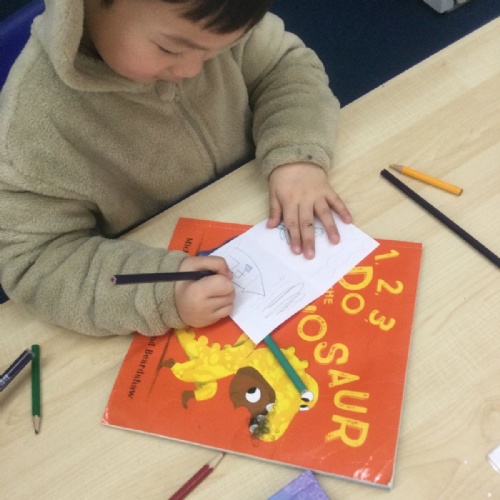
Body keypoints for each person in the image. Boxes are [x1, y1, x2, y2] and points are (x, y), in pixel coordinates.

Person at [0, 0, 351, 337]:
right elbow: (37, 261)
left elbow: (286, 67)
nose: (191, 71)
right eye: (169, 49)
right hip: (162, 272)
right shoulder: (31, 125)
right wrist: (161, 290)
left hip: (260, 219)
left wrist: (295, 153)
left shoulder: (211, 23)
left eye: (215, 51)